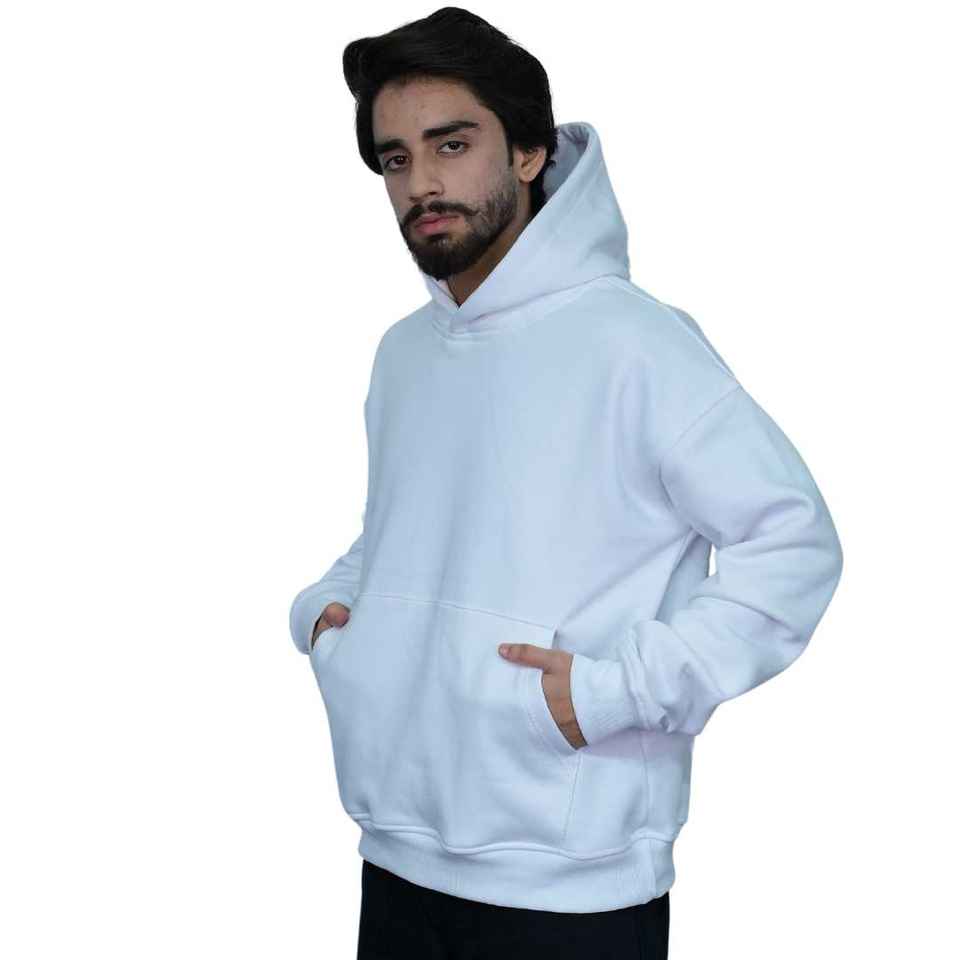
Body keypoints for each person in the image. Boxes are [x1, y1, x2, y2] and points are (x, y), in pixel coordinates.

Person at [289, 8, 843, 958]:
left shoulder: (636, 343)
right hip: (396, 851)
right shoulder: (406, 354)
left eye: (451, 145)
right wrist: (335, 613)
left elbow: (791, 540)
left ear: (529, 152)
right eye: (395, 159)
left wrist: (619, 692)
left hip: (574, 885)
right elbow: (405, 530)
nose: (421, 184)